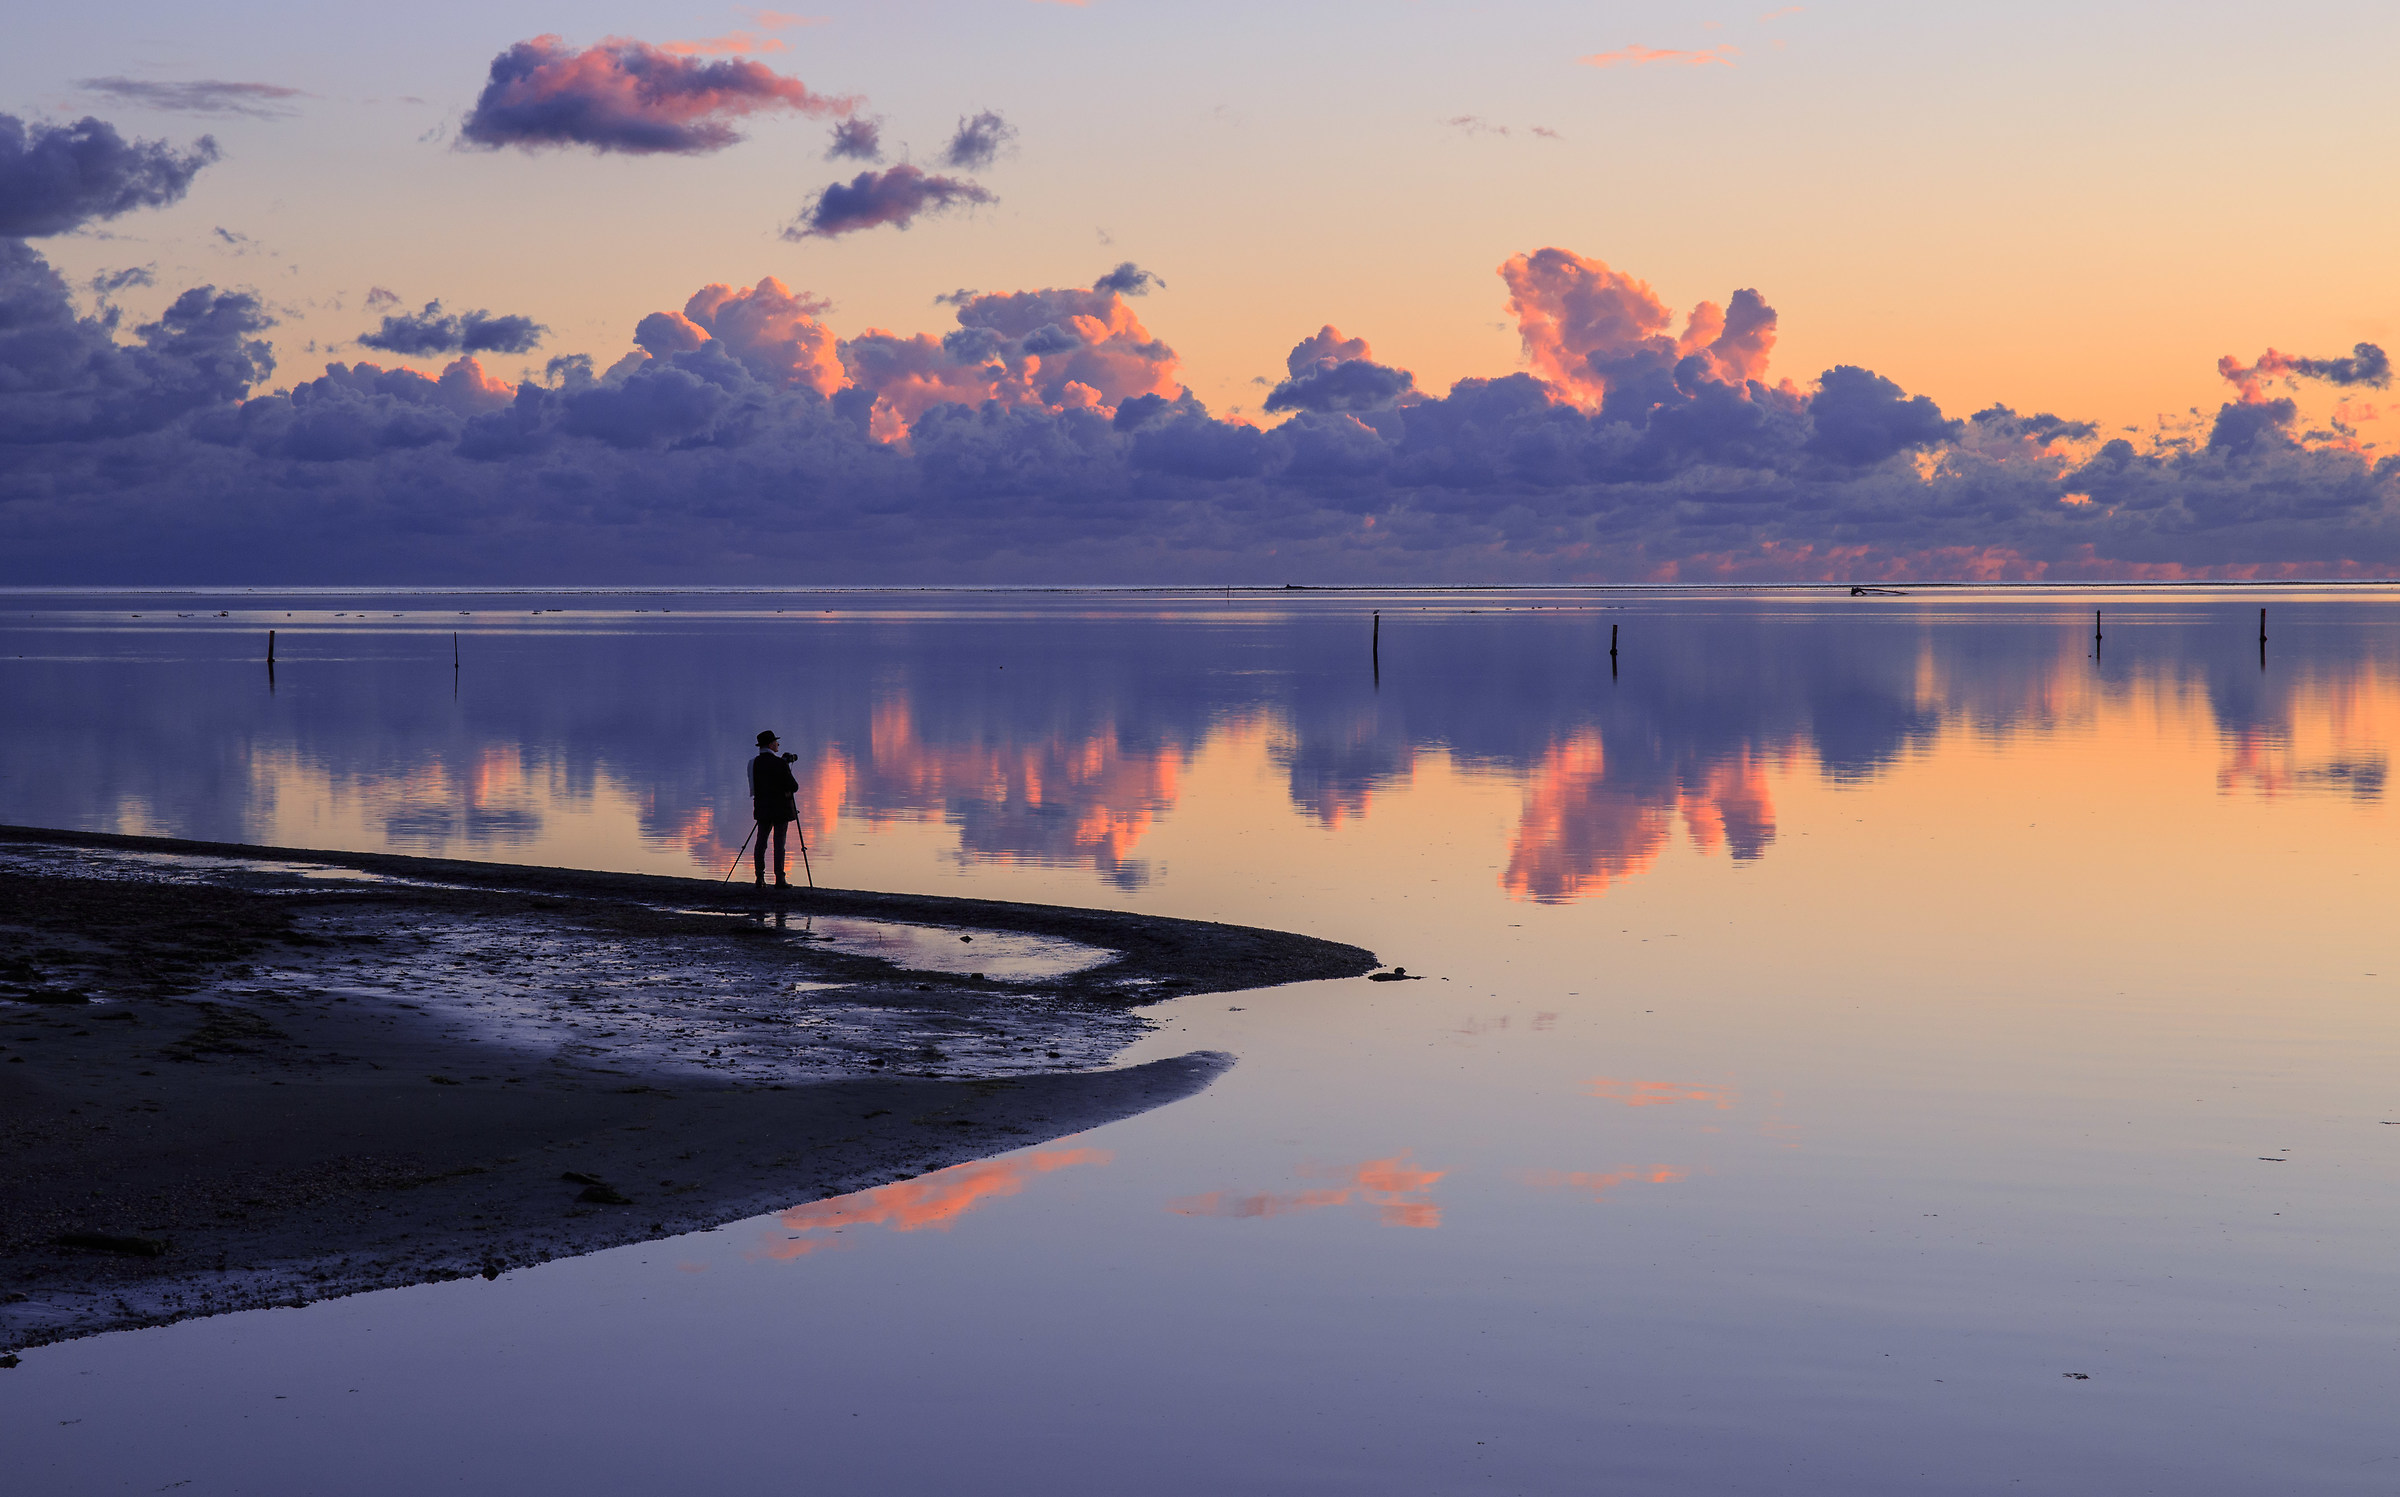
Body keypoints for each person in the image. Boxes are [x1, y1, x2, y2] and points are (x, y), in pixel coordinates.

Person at [748, 730, 801, 887]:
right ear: (771, 745)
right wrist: (785, 767)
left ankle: (759, 878)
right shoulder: (780, 764)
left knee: (760, 843)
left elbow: (753, 788)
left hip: (762, 808)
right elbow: (794, 786)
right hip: (780, 810)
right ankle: (780, 879)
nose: (778, 744)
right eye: (776, 742)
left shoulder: (752, 763)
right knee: (779, 845)